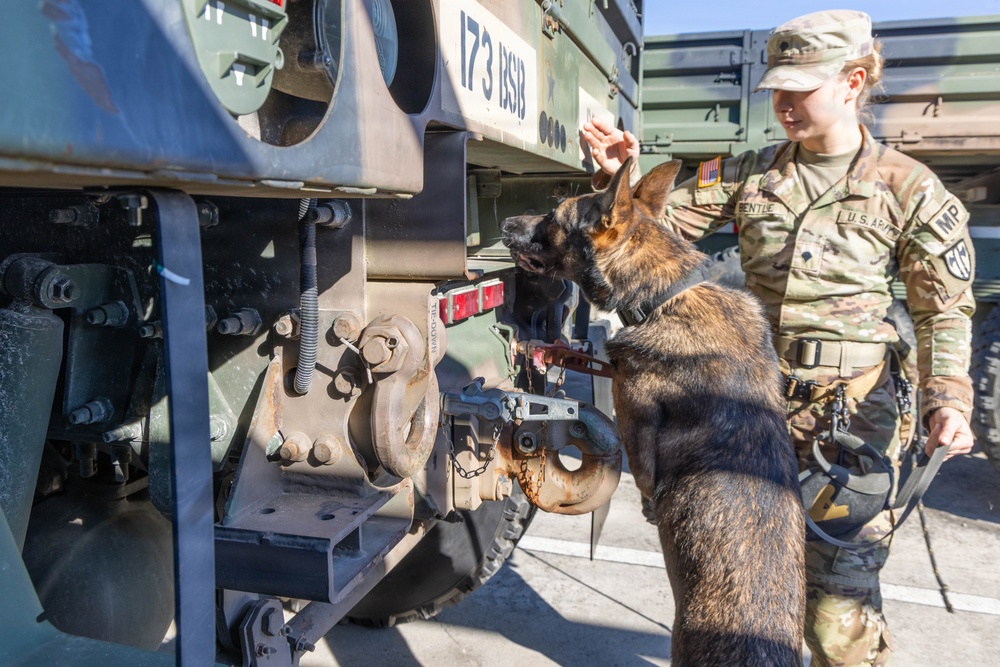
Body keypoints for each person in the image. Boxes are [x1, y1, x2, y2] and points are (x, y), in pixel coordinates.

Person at [583, 9, 975, 667]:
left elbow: (944, 309)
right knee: (739, 599)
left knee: (836, 620)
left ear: (853, 81)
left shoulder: (908, 188)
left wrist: (948, 396)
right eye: (778, 89)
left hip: (847, 430)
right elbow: (642, 225)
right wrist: (617, 173)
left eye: (802, 88)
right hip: (744, 414)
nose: (784, 103)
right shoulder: (748, 175)